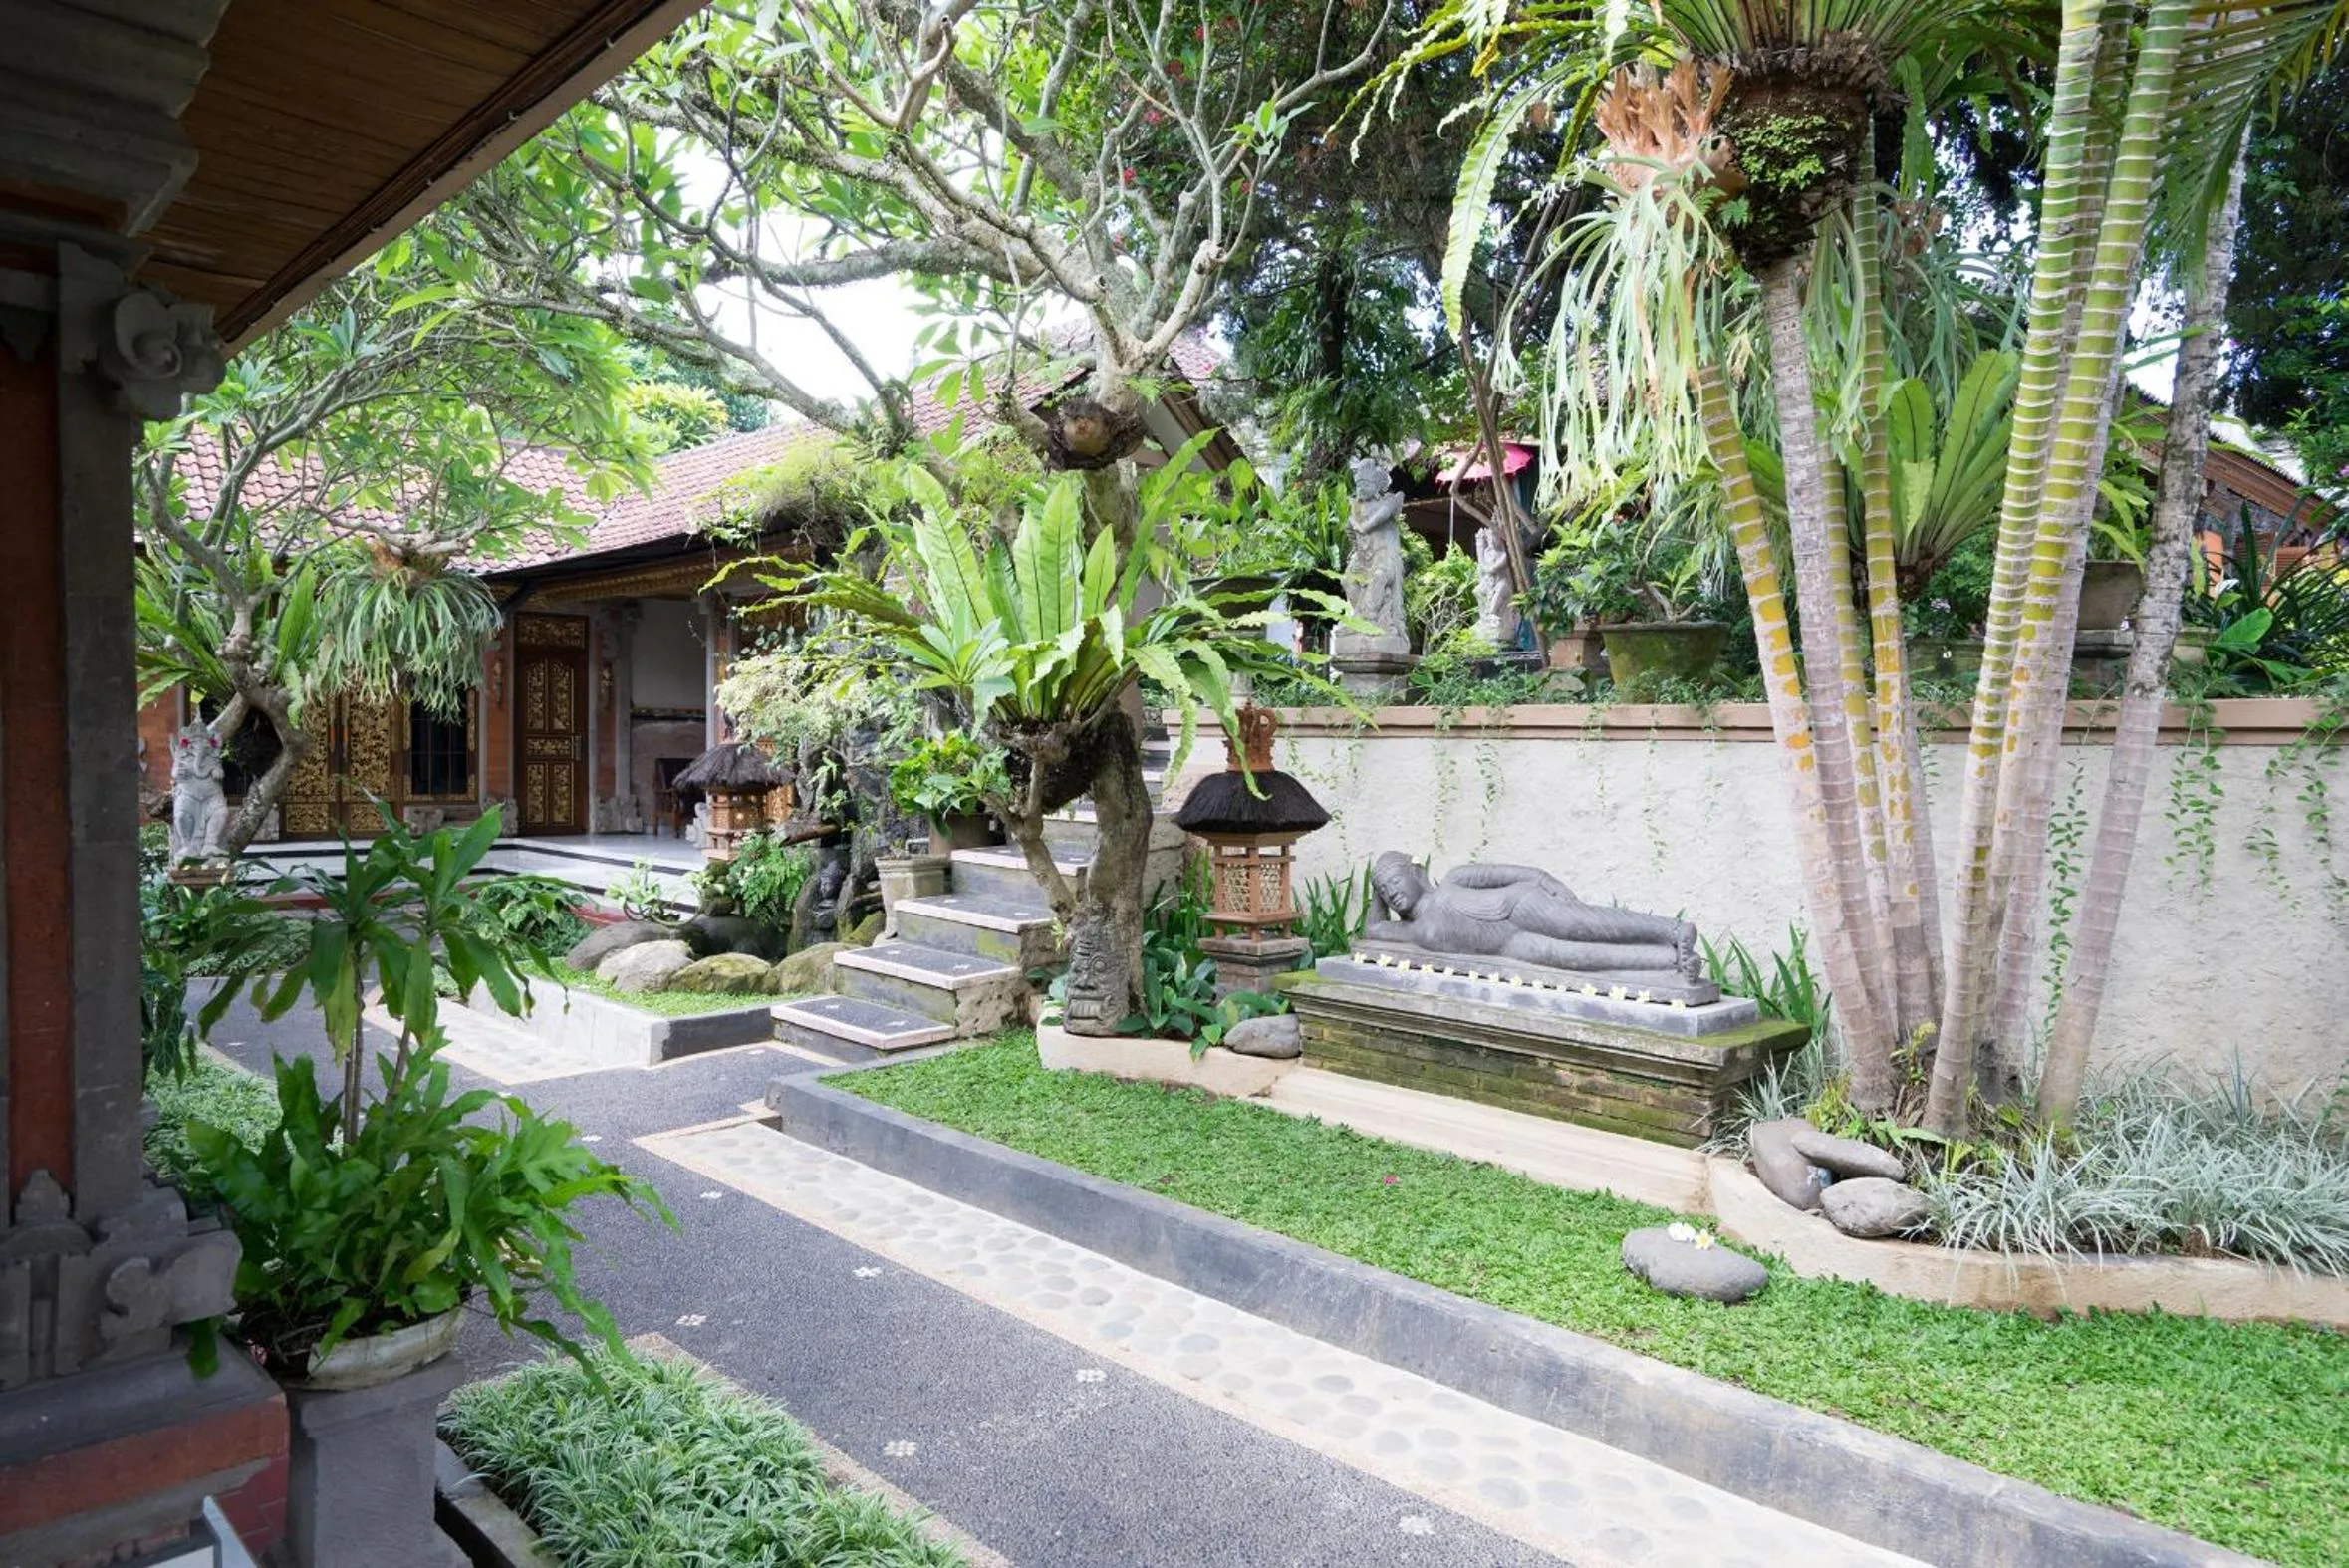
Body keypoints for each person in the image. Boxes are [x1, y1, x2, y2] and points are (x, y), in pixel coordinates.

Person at [1365, 852, 1698, 978]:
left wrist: (1548, 882)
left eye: (1394, 880)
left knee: (1582, 925)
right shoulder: (1414, 933)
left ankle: (1673, 931)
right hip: (1510, 947)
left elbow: (1513, 873)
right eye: (1384, 890)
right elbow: (1374, 931)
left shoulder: (1454, 879)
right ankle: (1672, 963)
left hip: (1519, 907)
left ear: (1416, 872)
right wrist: (1374, 888)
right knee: (1577, 957)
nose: (1391, 892)